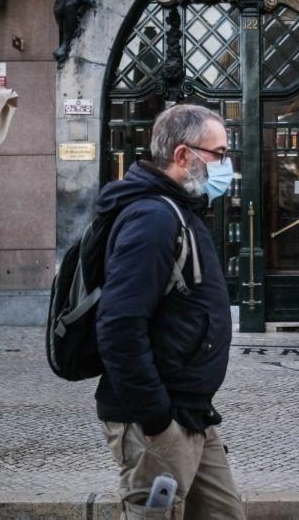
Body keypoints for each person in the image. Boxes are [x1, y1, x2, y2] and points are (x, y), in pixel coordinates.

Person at [94, 104, 245, 520]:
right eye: (219, 154)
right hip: (159, 421)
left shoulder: (181, 210)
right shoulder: (153, 218)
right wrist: (157, 420)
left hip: (193, 410)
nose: (226, 165)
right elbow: (119, 325)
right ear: (183, 156)